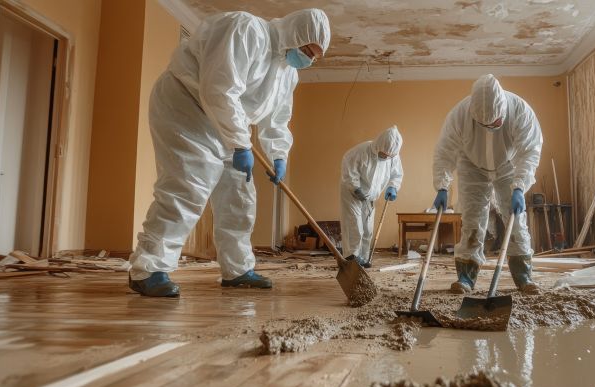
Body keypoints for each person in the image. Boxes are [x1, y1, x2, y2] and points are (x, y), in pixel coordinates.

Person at [128, 9, 331, 297]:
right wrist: (240, 142)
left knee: (239, 197)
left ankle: (237, 269)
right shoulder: (246, 30)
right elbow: (219, 90)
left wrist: (279, 155)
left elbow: (277, 120)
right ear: (295, 35)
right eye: (307, 50)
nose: (308, 59)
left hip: (228, 124)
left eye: (314, 57)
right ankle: (148, 267)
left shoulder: (287, 73)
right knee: (188, 187)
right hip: (188, 107)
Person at [432, 74, 542, 294]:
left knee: (515, 220)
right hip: (471, 163)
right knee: (472, 220)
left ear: (502, 111)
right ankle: (466, 277)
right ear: (475, 115)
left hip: (508, 164)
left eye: (496, 123)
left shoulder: (520, 110)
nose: (491, 127)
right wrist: (442, 185)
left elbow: (529, 152)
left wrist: (520, 186)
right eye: (486, 125)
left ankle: (523, 277)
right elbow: (445, 151)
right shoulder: (459, 115)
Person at [339, 126, 404, 268]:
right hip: (352, 193)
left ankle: (363, 257)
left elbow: (396, 174)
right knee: (354, 224)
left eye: (389, 156)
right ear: (378, 146)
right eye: (384, 154)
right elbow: (349, 172)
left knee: (367, 228)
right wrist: (356, 189)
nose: (386, 157)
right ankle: (352, 257)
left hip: (370, 195)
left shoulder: (393, 156)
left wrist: (393, 186)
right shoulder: (360, 151)